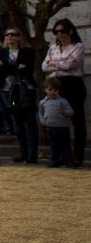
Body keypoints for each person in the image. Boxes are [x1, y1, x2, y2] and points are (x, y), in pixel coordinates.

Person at [41, 18, 85, 167]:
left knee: (77, 119)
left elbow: (71, 64)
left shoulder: (77, 46)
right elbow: (44, 67)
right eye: (56, 31)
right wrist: (59, 65)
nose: (59, 34)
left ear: (70, 31)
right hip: (56, 83)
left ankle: (78, 155)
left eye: (62, 31)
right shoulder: (53, 48)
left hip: (73, 84)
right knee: (57, 120)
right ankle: (60, 156)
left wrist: (55, 63)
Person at [0, 27, 38, 163]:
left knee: (30, 121)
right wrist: (15, 67)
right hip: (8, 90)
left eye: (13, 34)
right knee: (17, 123)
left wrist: (6, 66)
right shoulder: (1, 52)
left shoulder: (27, 51)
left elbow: (28, 68)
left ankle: (33, 153)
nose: (10, 37)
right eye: (7, 34)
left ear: (19, 37)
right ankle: (23, 151)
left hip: (26, 88)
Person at [39, 77, 75, 167]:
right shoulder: (43, 102)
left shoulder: (62, 101)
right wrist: (42, 120)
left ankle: (68, 161)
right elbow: (41, 112)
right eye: (50, 89)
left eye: (55, 90)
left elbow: (71, 112)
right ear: (45, 90)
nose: (53, 92)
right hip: (50, 127)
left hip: (63, 127)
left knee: (65, 145)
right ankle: (55, 160)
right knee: (53, 145)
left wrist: (64, 112)